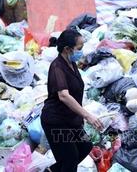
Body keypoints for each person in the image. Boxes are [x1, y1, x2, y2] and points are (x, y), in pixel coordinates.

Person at [41, 29, 104, 172]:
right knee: (70, 159)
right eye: (79, 48)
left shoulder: (71, 63)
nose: (81, 51)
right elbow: (63, 95)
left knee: (85, 146)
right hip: (56, 121)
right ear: (67, 49)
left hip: (71, 120)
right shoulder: (57, 67)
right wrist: (88, 116)